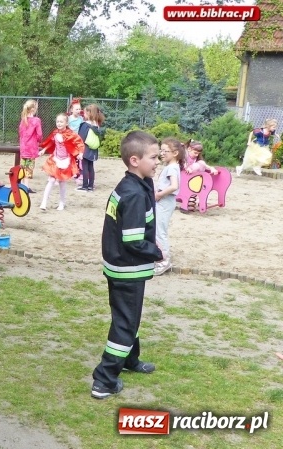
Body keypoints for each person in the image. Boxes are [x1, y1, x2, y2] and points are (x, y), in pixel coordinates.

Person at [91, 131, 163, 400]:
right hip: (128, 269)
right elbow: (133, 240)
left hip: (120, 266)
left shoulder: (133, 184)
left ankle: (130, 360)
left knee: (129, 317)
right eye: (154, 157)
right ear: (135, 160)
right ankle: (104, 380)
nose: (158, 162)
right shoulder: (133, 194)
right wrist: (155, 252)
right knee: (124, 323)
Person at [38, 113, 84, 211]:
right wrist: (44, 149)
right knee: (51, 180)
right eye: (57, 121)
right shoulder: (55, 133)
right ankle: (44, 202)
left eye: (61, 122)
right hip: (55, 159)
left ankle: (62, 203)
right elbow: (51, 142)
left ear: (66, 123)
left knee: (62, 182)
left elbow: (79, 143)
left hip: (65, 160)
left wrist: (80, 153)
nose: (59, 123)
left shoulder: (70, 134)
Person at [154, 138, 185, 276]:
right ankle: (158, 257)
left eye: (165, 151)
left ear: (175, 153)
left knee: (160, 231)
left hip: (165, 202)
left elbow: (174, 186)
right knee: (158, 229)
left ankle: (164, 261)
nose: (162, 153)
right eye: (161, 150)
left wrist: (159, 195)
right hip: (164, 201)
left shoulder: (172, 167)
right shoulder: (171, 166)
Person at [77, 104, 106, 192]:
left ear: (89, 113)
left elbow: (80, 138)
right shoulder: (96, 125)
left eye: (85, 113)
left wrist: (80, 151)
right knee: (91, 167)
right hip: (93, 149)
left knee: (85, 167)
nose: (83, 114)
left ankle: (85, 186)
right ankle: (90, 186)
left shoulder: (85, 125)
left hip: (85, 148)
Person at [182, 140, 218, 211]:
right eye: (195, 153)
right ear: (189, 149)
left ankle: (199, 180)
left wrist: (211, 168)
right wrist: (186, 167)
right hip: (184, 175)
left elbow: (204, 165)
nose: (196, 155)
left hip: (193, 177)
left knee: (201, 163)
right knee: (197, 165)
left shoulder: (196, 158)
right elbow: (183, 162)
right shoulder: (185, 155)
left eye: (198, 153)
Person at [18, 99, 42, 193]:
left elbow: (20, 133)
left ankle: (23, 185)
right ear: (33, 109)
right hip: (31, 148)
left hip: (23, 148)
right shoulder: (36, 120)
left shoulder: (23, 120)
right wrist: (39, 141)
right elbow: (39, 134)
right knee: (29, 168)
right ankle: (26, 187)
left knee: (23, 167)